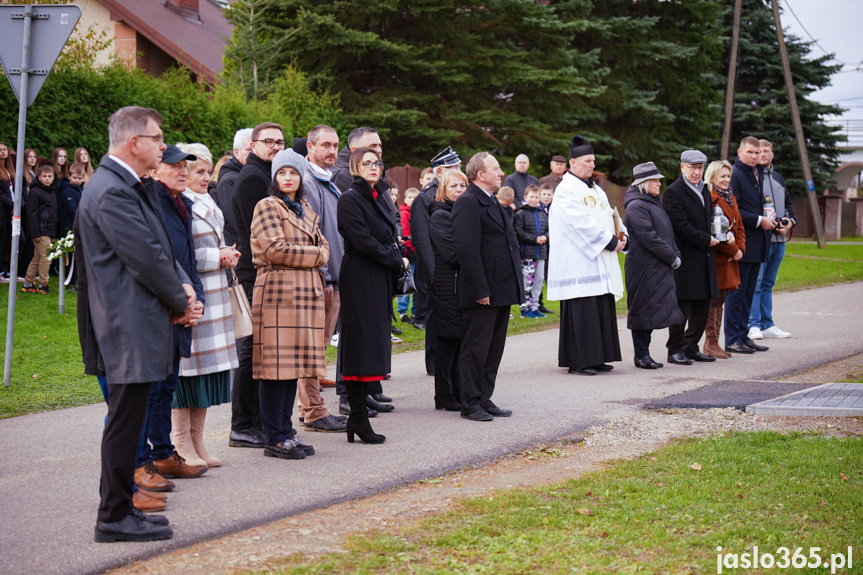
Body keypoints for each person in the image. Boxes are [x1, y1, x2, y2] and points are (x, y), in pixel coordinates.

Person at [77, 106, 196, 542]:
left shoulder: (129, 185)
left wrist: (183, 291)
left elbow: (159, 246)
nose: (163, 146)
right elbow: (142, 257)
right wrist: (179, 300)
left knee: (130, 418)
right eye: (157, 137)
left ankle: (122, 508)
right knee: (126, 421)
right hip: (126, 322)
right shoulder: (110, 190)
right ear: (134, 142)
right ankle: (112, 515)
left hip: (142, 317)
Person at [136, 145, 209, 485]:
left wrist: (199, 299)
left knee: (168, 385)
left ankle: (164, 453)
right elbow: (156, 258)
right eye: (175, 166)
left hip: (181, 304)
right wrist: (180, 300)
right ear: (155, 170)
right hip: (159, 307)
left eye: (185, 166)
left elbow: (188, 259)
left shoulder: (183, 204)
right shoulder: (151, 202)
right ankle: (146, 458)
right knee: (151, 387)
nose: (183, 171)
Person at [250, 148, 328, 459]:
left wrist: (316, 255)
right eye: (282, 172)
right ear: (275, 177)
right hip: (278, 292)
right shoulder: (267, 206)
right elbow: (275, 250)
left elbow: (326, 246)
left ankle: (287, 432)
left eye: (293, 173)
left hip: (305, 294)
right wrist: (315, 257)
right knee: (275, 368)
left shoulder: (304, 208)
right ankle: (275, 437)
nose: (288, 177)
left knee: (294, 367)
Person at [172, 142, 239, 468]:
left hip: (215, 293)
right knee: (187, 374)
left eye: (205, 170)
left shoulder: (207, 199)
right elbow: (180, 253)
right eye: (197, 170)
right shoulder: (180, 201)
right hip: (193, 295)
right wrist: (219, 256)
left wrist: (226, 251)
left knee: (206, 373)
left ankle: (198, 439)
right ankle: (181, 441)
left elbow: (209, 241)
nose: (203, 176)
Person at [337, 147, 407, 443]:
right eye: (366, 163)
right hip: (360, 276)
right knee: (359, 345)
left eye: (376, 162)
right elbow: (362, 240)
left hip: (377, 276)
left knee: (373, 343)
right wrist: (394, 259)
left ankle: (360, 414)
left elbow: (388, 233)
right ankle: (357, 417)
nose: (373, 167)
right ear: (354, 166)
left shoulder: (379, 195)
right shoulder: (351, 198)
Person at [452, 152, 522, 420]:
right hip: (483, 290)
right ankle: (469, 403)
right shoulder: (468, 202)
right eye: (496, 168)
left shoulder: (491, 200)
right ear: (480, 174)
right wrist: (480, 290)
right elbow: (467, 250)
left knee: (493, 348)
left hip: (501, 287)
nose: (501, 172)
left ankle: (484, 397)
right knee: (476, 348)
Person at [547, 135, 626, 376]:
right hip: (578, 262)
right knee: (584, 309)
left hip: (598, 259)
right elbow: (579, 224)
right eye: (587, 161)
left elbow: (612, 214)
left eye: (593, 161)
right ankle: (580, 360)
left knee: (601, 306)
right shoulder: (565, 190)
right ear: (573, 162)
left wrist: (622, 235)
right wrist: (609, 241)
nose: (592, 165)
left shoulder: (596, 189)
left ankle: (599, 356)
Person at [230, 122, 286, 447]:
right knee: (252, 351)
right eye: (269, 141)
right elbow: (260, 233)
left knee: (258, 349)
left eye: (279, 141)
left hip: (260, 272)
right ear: (253, 146)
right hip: (253, 273)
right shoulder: (254, 177)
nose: (276, 146)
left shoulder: (265, 173)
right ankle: (243, 424)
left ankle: (256, 422)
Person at [297, 124, 348, 432]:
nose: (332, 151)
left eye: (335, 145)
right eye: (325, 145)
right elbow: (312, 235)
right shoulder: (307, 182)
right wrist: (325, 278)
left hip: (333, 277)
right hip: (321, 279)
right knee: (312, 348)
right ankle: (314, 410)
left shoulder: (329, 181)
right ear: (310, 147)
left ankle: (310, 408)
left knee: (319, 345)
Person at [623, 162, 683, 369]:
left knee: (650, 310)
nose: (659, 183)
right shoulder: (636, 206)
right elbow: (650, 238)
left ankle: (644, 354)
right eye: (656, 180)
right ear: (644, 183)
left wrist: (675, 253)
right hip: (643, 269)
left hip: (656, 267)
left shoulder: (651, 202)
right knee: (642, 311)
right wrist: (672, 257)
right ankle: (641, 355)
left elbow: (667, 233)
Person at [661, 150, 719, 365]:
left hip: (704, 256)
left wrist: (721, 233)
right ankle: (674, 349)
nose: (696, 172)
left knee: (702, 306)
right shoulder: (673, 192)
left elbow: (708, 219)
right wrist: (707, 240)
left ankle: (691, 346)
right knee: (682, 307)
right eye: (692, 167)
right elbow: (680, 226)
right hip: (685, 258)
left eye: (700, 167)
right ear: (682, 167)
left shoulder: (704, 190)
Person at [409, 146, 462, 378]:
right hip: (433, 266)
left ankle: (451, 360)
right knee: (433, 313)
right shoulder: (425, 197)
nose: (458, 171)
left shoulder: (456, 194)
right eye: (454, 168)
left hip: (453, 268)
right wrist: (430, 271)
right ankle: (433, 361)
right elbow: (421, 238)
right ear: (439, 172)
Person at [725, 136, 772, 354]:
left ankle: (743, 336)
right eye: (750, 153)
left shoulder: (758, 173)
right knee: (737, 292)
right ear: (739, 152)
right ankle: (732, 338)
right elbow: (736, 209)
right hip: (743, 243)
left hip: (758, 244)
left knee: (748, 293)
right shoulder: (735, 174)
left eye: (757, 153)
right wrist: (759, 220)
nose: (754, 157)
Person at [748, 139, 796, 340]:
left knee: (768, 283)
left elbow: (789, 207)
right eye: (759, 152)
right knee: (756, 284)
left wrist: (790, 222)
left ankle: (768, 323)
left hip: (779, 241)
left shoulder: (778, 177)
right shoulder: (752, 177)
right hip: (761, 240)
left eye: (767, 151)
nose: (763, 155)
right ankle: (753, 324)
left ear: (772, 154)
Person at [428, 169, 468, 411]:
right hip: (447, 286)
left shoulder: (462, 213)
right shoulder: (440, 216)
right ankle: (443, 394)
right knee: (447, 343)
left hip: (461, 286)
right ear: (443, 189)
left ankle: (457, 390)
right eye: (454, 186)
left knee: (460, 343)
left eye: (462, 186)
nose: (459, 191)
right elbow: (452, 254)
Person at [703, 160, 744, 359]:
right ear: (712, 179)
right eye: (723, 176)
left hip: (731, 257)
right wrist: (733, 251)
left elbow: (740, 227)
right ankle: (710, 343)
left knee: (722, 299)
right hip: (719, 258)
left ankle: (714, 343)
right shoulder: (711, 199)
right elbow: (716, 234)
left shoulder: (731, 198)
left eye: (728, 176)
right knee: (714, 300)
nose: (727, 180)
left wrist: (741, 249)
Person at [514, 184, 549, 319]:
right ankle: (525, 307)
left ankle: (534, 306)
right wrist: (534, 239)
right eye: (531, 197)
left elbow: (549, 229)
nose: (534, 199)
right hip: (528, 253)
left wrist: (545, 237)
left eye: (536, 197)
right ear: (525, 197)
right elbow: (519, 232)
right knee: (527, 281)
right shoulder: (520, 213)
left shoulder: (542, 213)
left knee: (539, 280)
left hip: (541, 252)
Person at [21, 164, 57, 294]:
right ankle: (43, 284)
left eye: (50, 176)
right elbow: (32, 213)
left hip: (48, 231)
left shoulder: (52, 192)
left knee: (38, 257)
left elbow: (53, 214)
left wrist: (53, 233)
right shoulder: (35, 192)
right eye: (44, 176)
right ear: (39, 177)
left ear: (53, 177)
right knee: (46, 256)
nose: (47, 179)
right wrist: (35, 232)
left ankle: (28, 283)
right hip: (39, 232)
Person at [215, 128, 253, 246]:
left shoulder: (247, 174)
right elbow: (236, 221)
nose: (253, 154)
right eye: (248, 150)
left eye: (255, 149)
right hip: (238, 248)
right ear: (236, 152)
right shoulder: (229, 180)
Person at [397, 187, 420, 322]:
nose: (412, 200)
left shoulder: (417, 212)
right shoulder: (404, 213)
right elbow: (406, 233)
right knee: (407, 281)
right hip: (409, 252)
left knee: (416, 283)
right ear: (405, 200)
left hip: (416, 252)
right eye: (410, 197)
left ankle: (414, 310)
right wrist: (411, 248)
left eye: (414, 198)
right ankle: (402, 311)